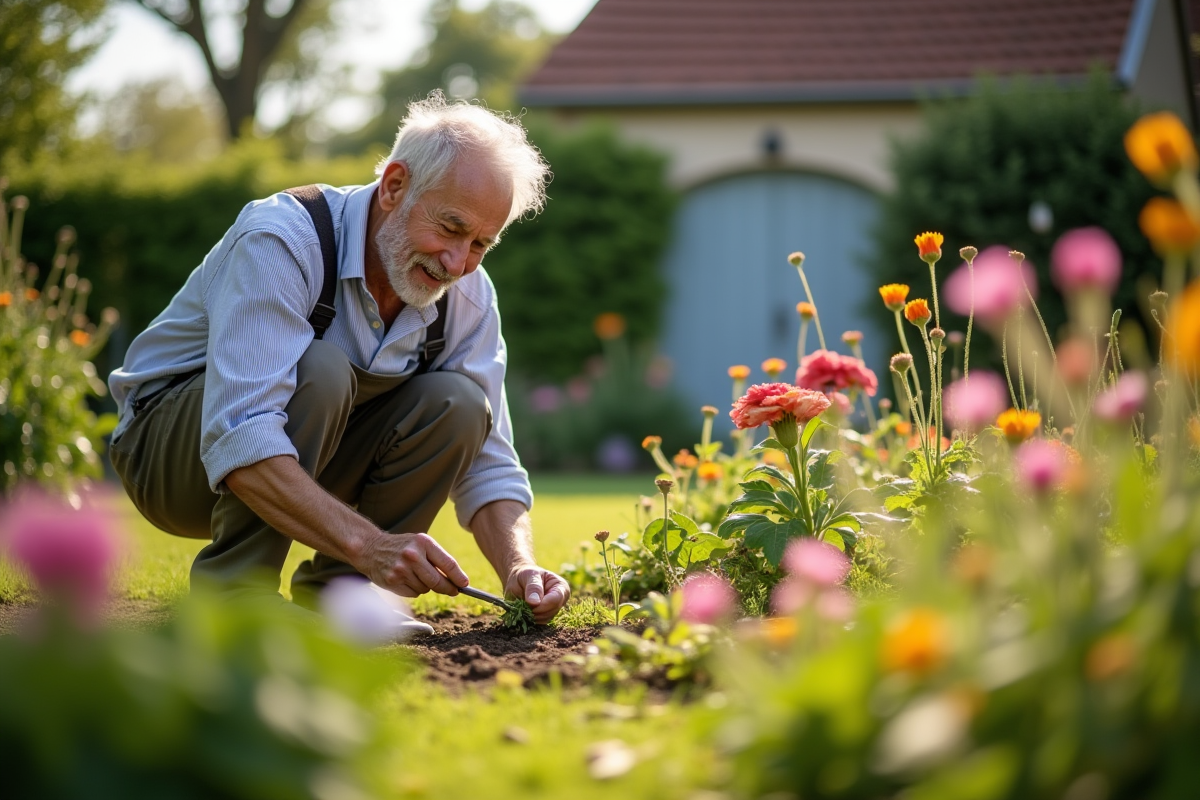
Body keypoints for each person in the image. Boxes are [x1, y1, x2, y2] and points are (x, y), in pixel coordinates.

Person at [107, 94, 570, 627]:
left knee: (462, 404)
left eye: (480, 244)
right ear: (395, 186)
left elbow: (488, 459)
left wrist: (520, 566)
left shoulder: (469, 296)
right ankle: (236, 593)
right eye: (449, 228)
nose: (457, 263)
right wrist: (372, 545)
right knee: (321, 368)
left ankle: (341, 598)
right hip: (168, 456)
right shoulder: (282, 239)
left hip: (302, 462)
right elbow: (242, 431)